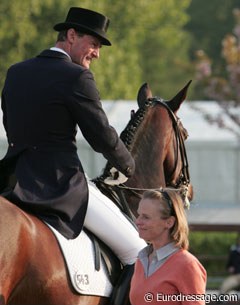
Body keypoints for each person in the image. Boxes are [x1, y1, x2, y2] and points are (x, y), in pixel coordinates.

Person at [0, 7, 146, 265]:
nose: (97, 54)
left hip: (12, 181)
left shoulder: (15, 72)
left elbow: (9, 124)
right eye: (94, 44)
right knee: (138, 251)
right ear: (71, 35)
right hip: (59, 185)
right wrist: (127, 165)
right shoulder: (77, 76)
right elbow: (101, 135)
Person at [130, 188, 207, 305]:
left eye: (146, 217)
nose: (138, 221)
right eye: (139, 215)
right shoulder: (140, 261)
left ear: (169, 222)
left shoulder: (188, 265)